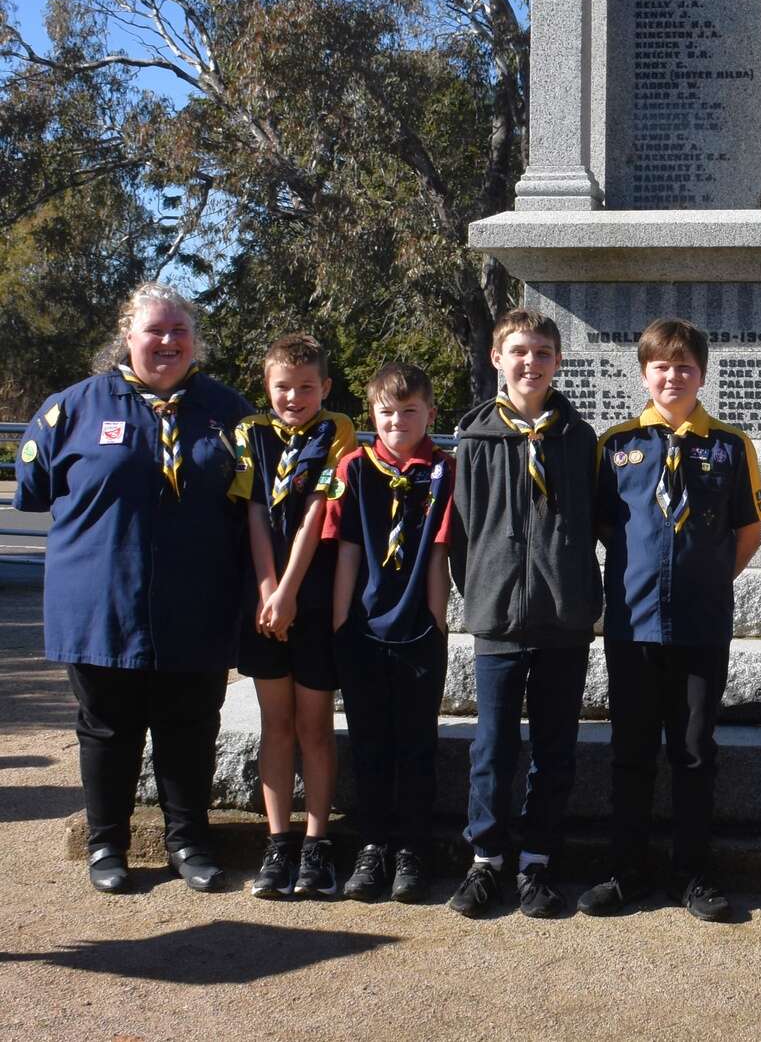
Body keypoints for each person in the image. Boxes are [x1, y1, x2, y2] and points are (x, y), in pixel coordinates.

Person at [13, 282, 251, 894]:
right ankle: (106, 846)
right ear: (128, 335)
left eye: (180, 331)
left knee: (191, 725)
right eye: (155, 330)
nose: (168, 341)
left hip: (195, 601)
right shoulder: (72, 410)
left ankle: (189, 842)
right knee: (107, 726)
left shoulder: (229, 414)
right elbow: (35, 492)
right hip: (100, 604)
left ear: (194, 340)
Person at [579, 318, 761, 922]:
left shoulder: (731, 447)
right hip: (632, 628)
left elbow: (748, 532)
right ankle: (627, 871)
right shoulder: (616, 445)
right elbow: (605, 527)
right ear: (644, 374)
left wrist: (704, 582)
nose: (673, 376)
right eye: (661, 365)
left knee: (692, 753)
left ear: (702, 374)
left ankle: (693, 874)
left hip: (699, 627)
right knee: (630, 753)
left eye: (685, 366)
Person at [446, 309, 602, 919]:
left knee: (555, 746)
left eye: (542, 352)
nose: (530, 363)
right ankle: (486, 860)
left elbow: (595, 520)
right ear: (496, 359)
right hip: (499, 618)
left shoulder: (580, 438)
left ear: (558, 362)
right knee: (492, 745)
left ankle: (538, 860)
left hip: (563, 619)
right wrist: (484, 588)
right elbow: (460, 530)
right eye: (519, 351)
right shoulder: (475, 438)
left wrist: (574, 587)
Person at [232, 333, 357, 898]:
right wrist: (266, 590)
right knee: (275, 724)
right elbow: (256, 509)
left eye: (307, 387)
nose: (294, 397)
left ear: (325, 388)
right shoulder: (250, 433)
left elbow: (315, 513)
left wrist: (286, 591)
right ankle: (277, 843)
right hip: (263, 603)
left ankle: (317, 845)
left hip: (310, 597)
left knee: (314, 726)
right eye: (283, 386)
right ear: (267, 386)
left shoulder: (338, 429)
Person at [325, 362, 455, 904]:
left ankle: (413, 850)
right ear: (370, 415)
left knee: (417, 744)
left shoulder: (445, 470)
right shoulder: (355, 466)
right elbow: (348, 547)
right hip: (364, 628)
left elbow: (440, 550)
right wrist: (339, 623)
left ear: (429, 413)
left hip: (418, 629)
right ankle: (373, 845)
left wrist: (438, 623)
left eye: (409, 411)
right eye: (386, 412)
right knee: (370, 742)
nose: (397, 420)